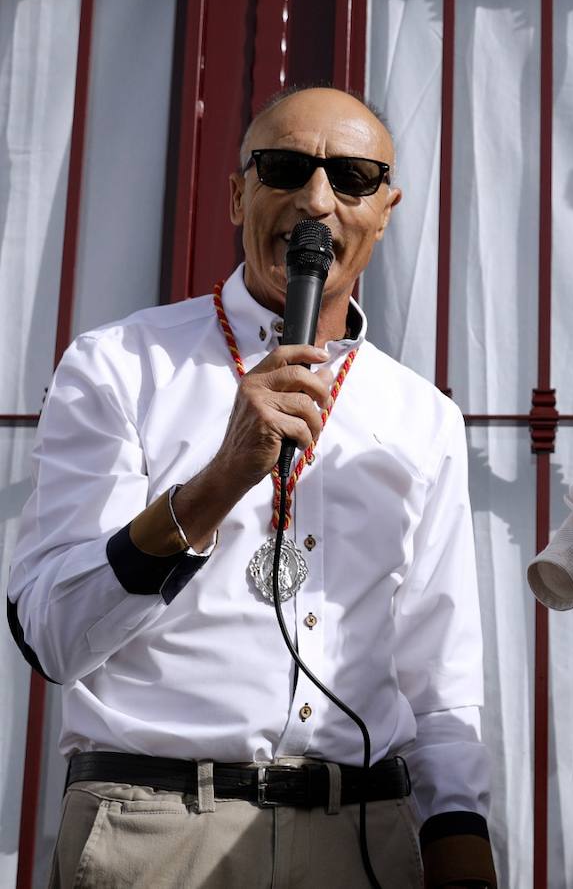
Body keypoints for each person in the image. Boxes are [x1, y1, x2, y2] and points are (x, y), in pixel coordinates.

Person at [8, 86, 496, 889]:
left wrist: (459, 840)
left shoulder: (423, 415)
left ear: (386, 208)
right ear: (238, 192)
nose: (316, 200)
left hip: (359, 834)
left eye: (352, 177)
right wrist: (215, 483)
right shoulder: (121, 365)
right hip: (154, 826)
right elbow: (51, 634)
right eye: (285, 167)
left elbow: (439, 676)